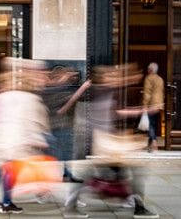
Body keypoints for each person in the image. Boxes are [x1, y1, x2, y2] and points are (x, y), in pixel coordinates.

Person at [64, 64, 159, 219]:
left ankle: (133, 204)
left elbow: (118, 112)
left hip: (107, 142)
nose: (113, 78)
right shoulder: (98, 90)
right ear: (101, 78)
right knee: (128, 173)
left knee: (117, 174)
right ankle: (137, 207)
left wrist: (142, 111)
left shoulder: (104, 91)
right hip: (103, 143)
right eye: (109, 76)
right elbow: (71, 102)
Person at [0, 57, 50, 214]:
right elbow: (32, 120)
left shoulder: (2, 95)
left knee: (3, 168)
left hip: (5, 138)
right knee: (10, 170)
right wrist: (36, 137)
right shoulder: (27, 97)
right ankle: (6, 202)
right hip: (15, 138)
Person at [41, 66, 83, 183]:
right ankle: (59, 175)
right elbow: (61, 111)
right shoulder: (50, 91)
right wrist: (79, 91)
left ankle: (66, 174)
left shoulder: (57, 89)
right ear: (58, 77)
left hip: (60, 126)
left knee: (65, 153)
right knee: (60, 153)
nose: (68, 79)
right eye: (65, 76)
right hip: (57, 126)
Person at [142, 62, 164, 153]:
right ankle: (149, 146)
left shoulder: (148, 78)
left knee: (151, 125)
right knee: (154, 125)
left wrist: (145, 106)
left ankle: (154, 142)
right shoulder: (160, 79)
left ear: (150, 70)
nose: (147, 70)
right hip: (158, 105)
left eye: (148, 69)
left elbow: (147, 93)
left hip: (151, 104)